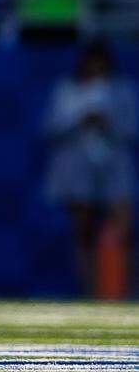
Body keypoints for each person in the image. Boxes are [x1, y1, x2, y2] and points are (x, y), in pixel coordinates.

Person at [43, 40, 136, 297]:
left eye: (101, 66)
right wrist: (80, 120)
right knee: (82, 234)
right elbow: (51, 129)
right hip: (77, 170)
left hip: (114, 168)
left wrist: (108, 121)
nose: (96, 70)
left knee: (123, 231)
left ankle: (123, 291)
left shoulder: (122, 91)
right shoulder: (66, 91)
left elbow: (132, 129)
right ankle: (89, 290)